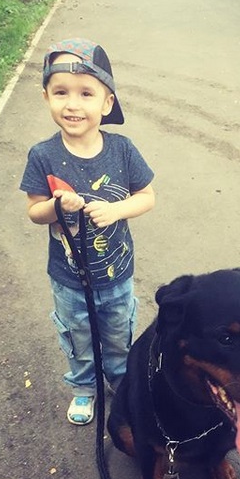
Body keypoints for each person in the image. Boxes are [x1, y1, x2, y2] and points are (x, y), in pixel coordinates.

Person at [20, 38, 155, 425]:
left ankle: (119, 382)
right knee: (79, 337)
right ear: (46, 97)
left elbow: (146, 197)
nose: (73, 104)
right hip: (69, 279)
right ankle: (84, 387)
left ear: (106, 102)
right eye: (60, 92)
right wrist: (56, 206)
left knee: (117, 333)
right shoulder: (42, 155)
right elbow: (34, 211)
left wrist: (115, 210)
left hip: (116, 275)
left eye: (85, 93)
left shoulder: (123, 150)